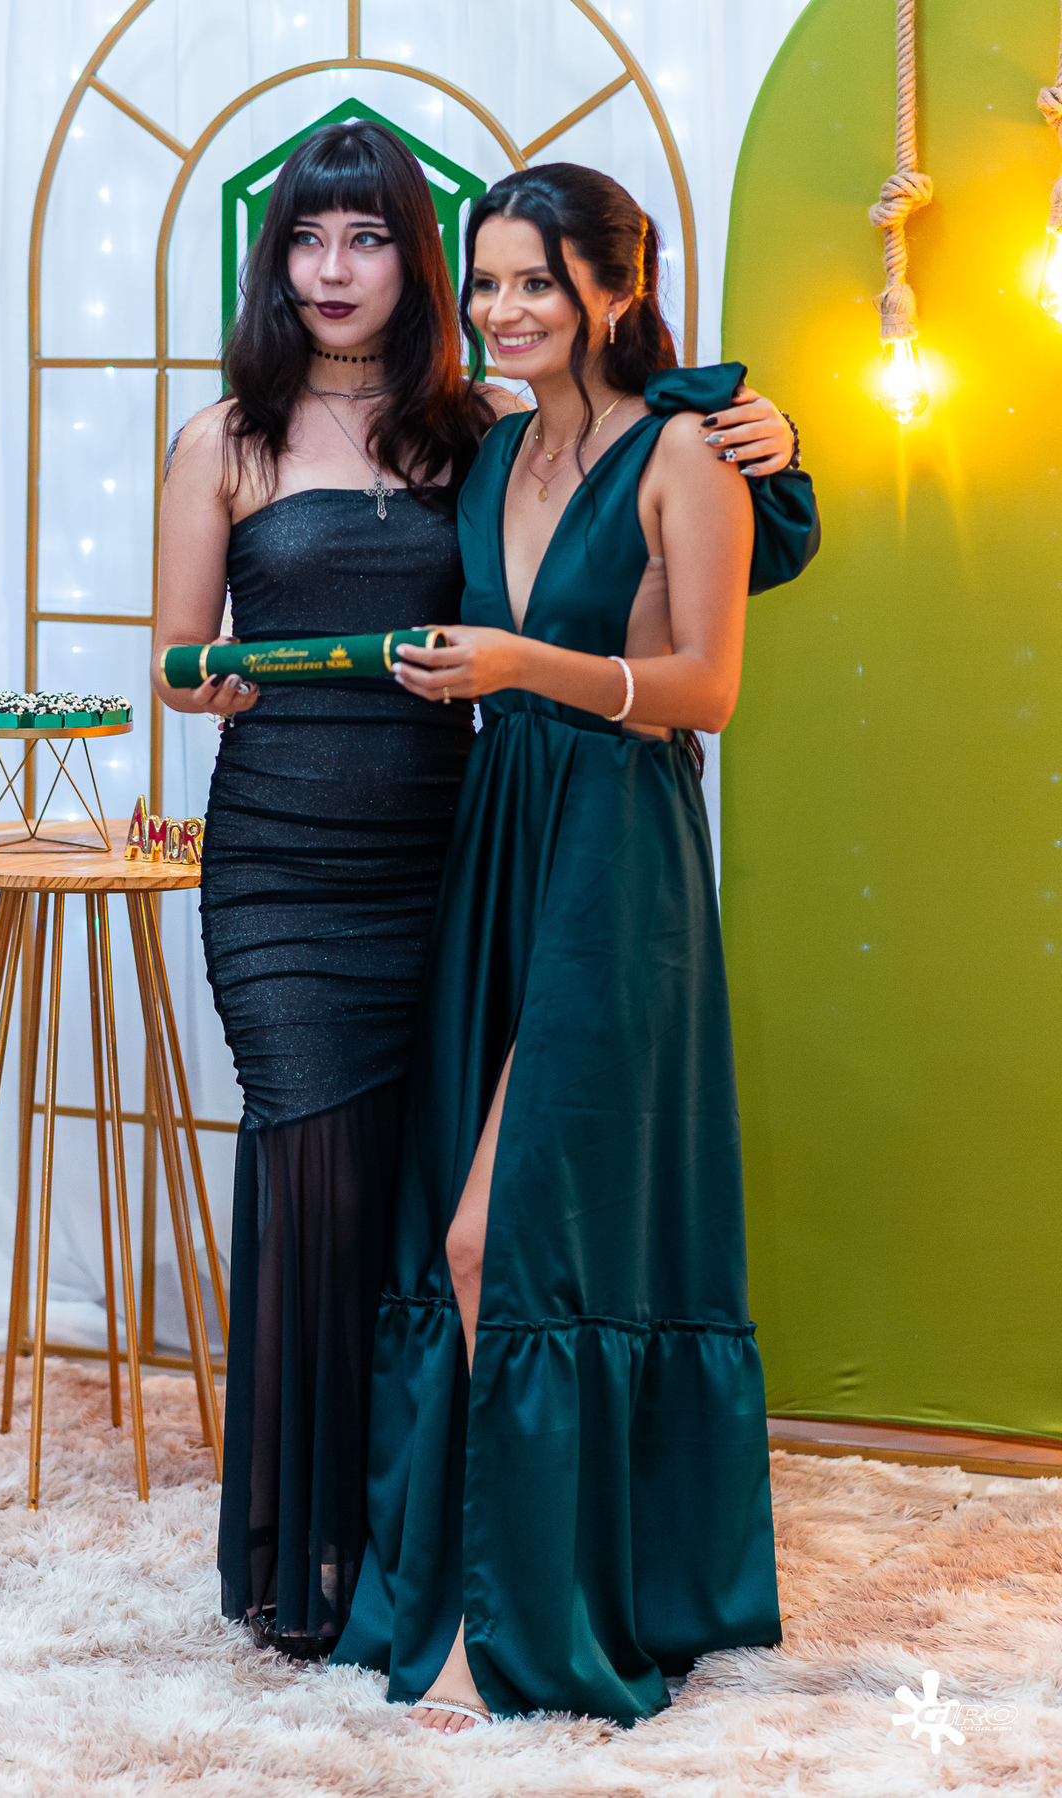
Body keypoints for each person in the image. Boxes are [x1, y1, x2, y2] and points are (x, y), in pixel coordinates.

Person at [152, 123, 805, 1659]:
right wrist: (212, 679)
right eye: (307, 239)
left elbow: (655, 545)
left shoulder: (476, 431)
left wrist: (769, 429)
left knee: (438, 1210)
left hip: (465, 851)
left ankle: (430, 1551)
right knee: (329, 1187)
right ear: (274, 260)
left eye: (369, 237)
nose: (334, 269)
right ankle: (312, 1546)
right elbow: (174, 659)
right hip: (292, 863)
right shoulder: (241, 438)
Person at [333, 163, 818, 1727]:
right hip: (498, 842)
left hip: (619, 850)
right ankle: (474, 1589)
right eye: (485, 281)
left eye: (535, 280)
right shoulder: (492, 446)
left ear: (616, 287)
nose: (502, 308)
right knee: (460, 1221)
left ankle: (505, 1627)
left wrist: (526, 662)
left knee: (504, 1237)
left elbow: (706, 690)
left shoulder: (687, 447)